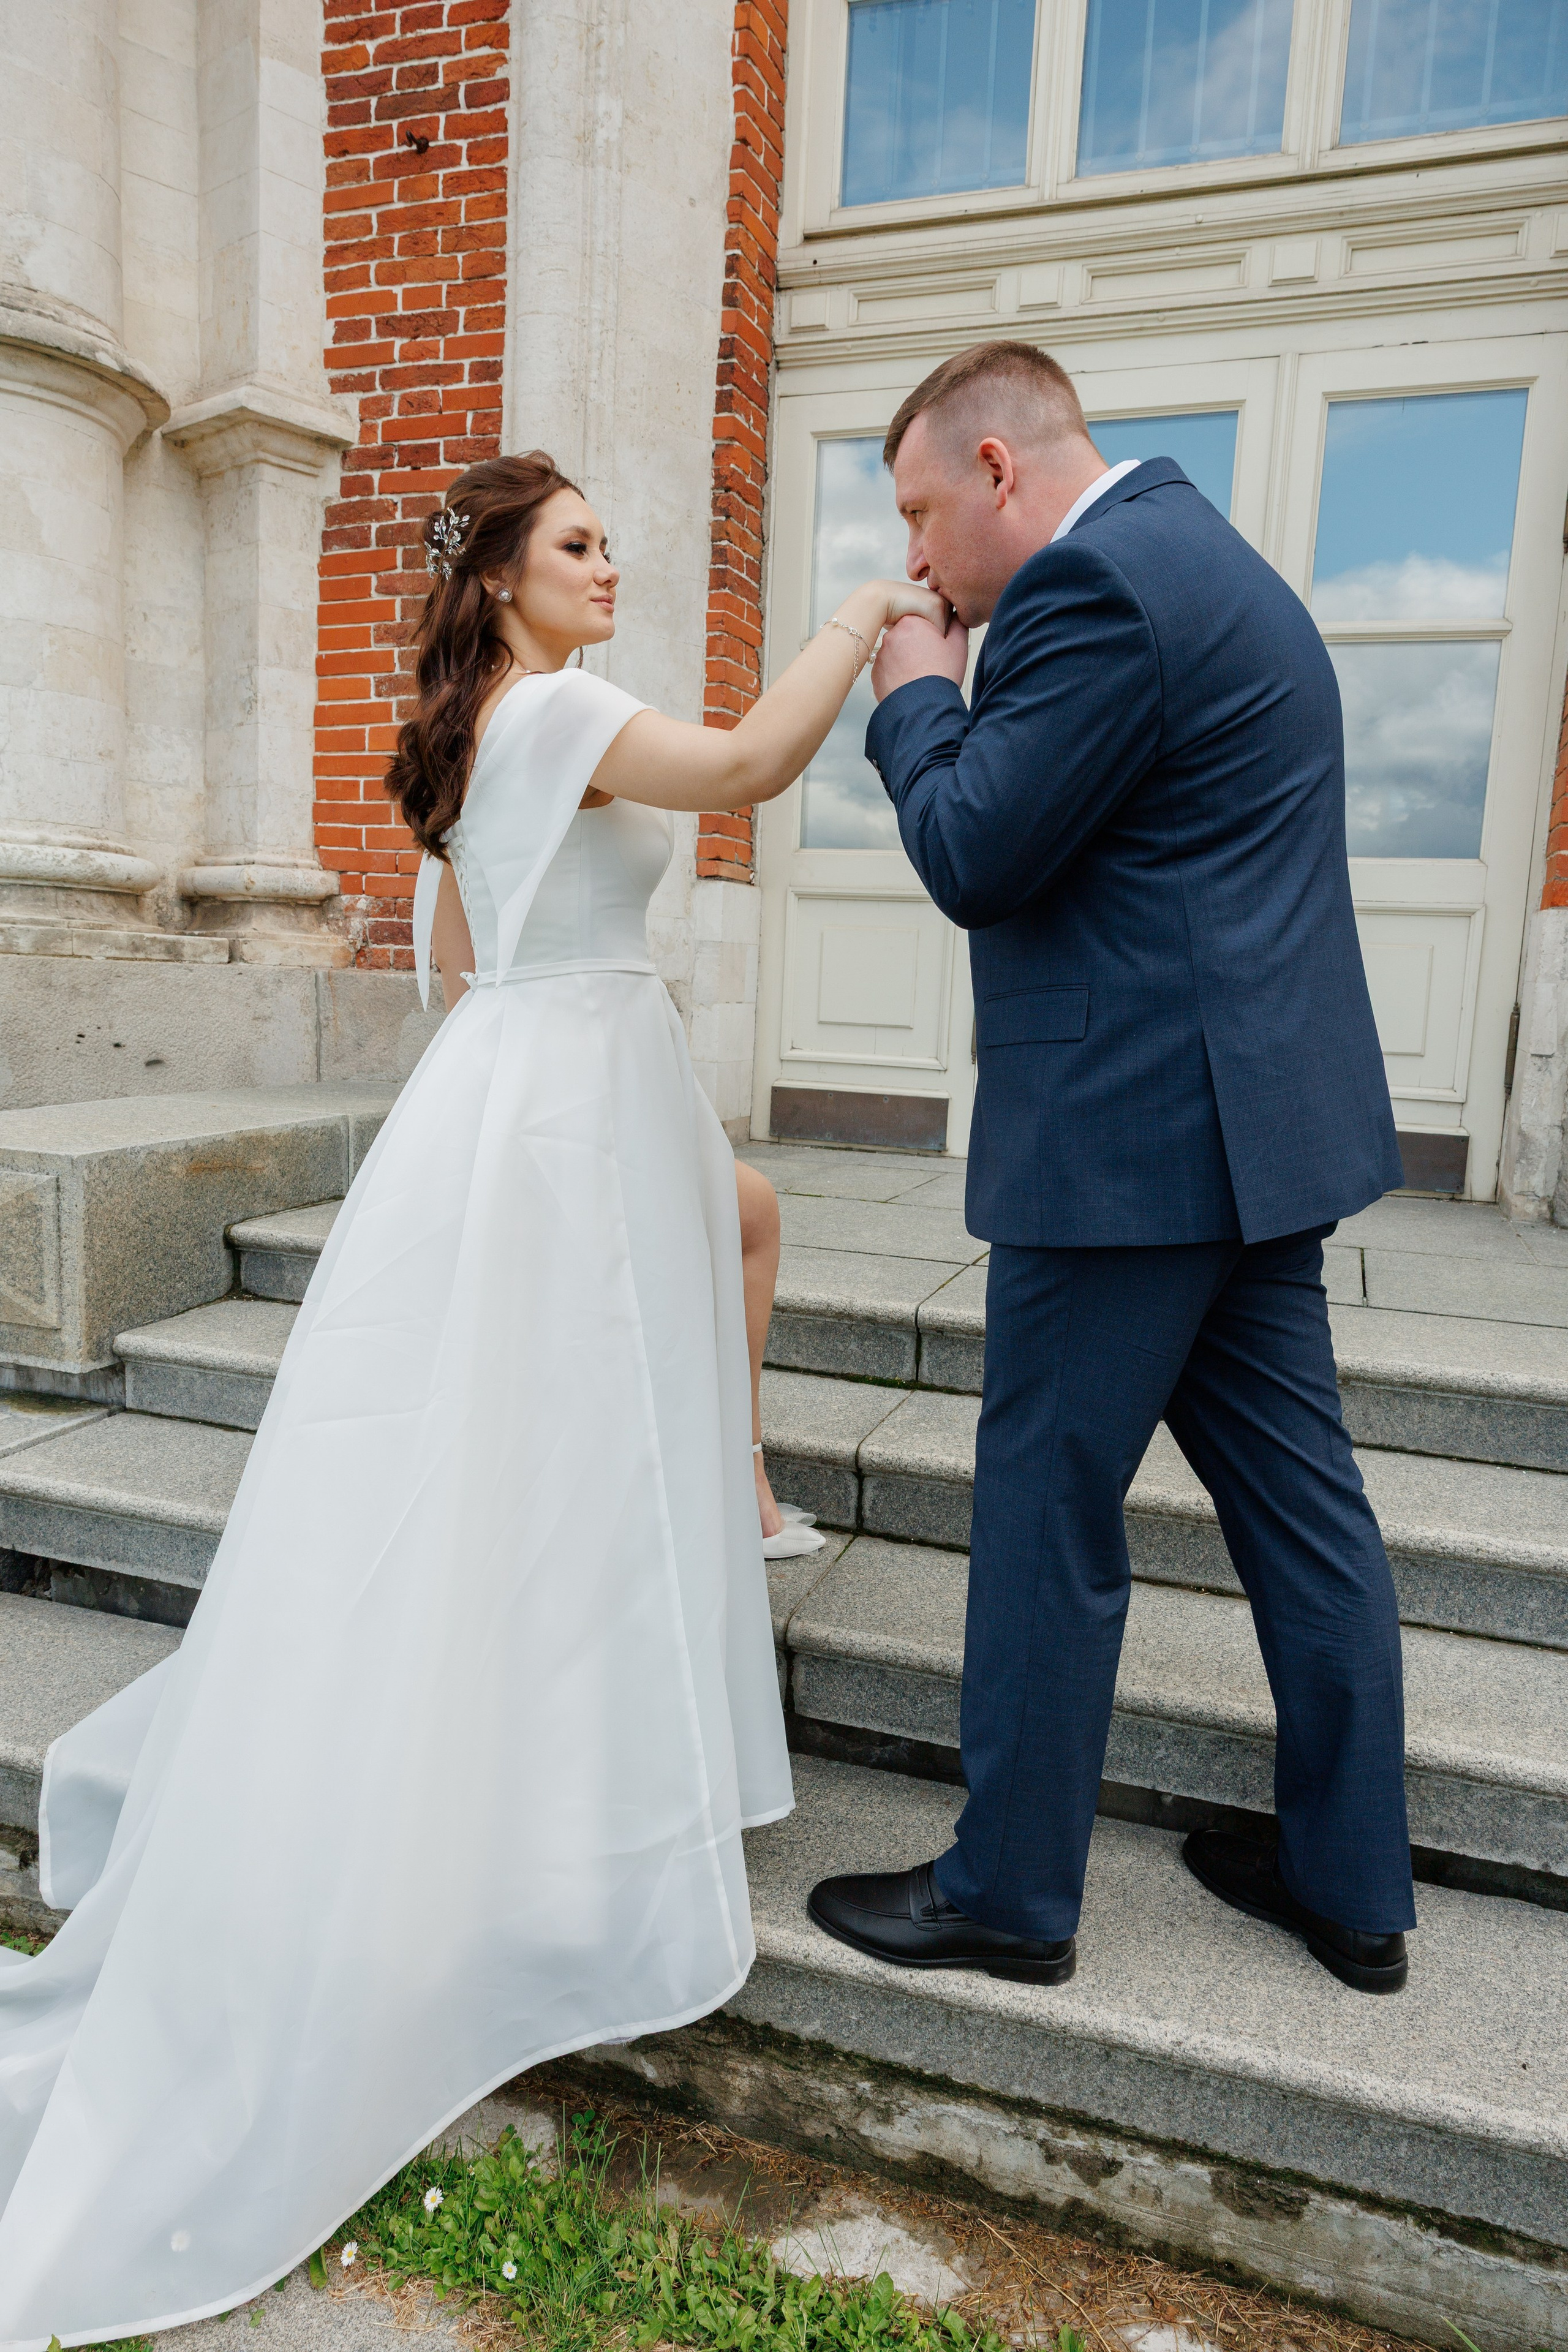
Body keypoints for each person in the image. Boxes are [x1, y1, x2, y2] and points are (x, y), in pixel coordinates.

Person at [0, 451, 940, 2345]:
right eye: (581, 541)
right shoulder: (571, 706)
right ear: (506, 576)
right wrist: (875, 612)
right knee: (556, 1471)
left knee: (573, 1419)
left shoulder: (486, 723)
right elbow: (754, 768)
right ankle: (547, 1815)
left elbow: (454, 949)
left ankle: (639, 1627)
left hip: (536, 1075)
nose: (615, 562)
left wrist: (552, 1041)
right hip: (570, 1087)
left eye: (613, 536)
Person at [806, 342, 1415, 1999]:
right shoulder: (1221, 563)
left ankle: (1009, 1896)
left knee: (1046, 1512)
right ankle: (1354, 1884)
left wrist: (915, 689)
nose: (920, 560)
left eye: (928, 515)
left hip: (1131, 1151)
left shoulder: (1092, 591)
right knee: (1309, 1518)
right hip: (1257, 1136)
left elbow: (977, 850)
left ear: (1001, 469)